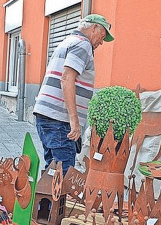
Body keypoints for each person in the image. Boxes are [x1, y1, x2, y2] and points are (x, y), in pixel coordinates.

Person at [33, 14, 114, 175]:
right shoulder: (83, 45)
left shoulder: (67, 41)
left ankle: (47, 201)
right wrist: (74, 121)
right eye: (102, 36)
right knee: (64, 174)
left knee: (52, 171)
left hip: (46, 115)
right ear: (93, 28)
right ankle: (54, 201)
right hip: (60, 120)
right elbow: (66, 78)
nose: (101, 42)